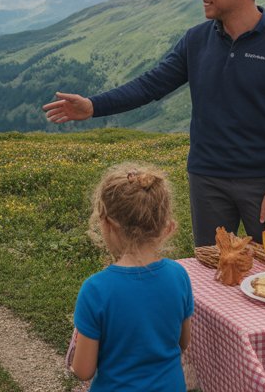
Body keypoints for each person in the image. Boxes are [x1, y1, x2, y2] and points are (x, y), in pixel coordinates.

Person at [43, 0, 265, 245]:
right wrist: (93, 106)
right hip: (207, 179)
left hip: (264, 185)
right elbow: (150, 85)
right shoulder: (196, 40)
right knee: (212, 273)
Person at [69, 164, 194, 391]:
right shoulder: (179, 275)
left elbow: (83, 370)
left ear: (108, 224)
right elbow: (183, 342)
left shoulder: (95, 290)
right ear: (161, 223)